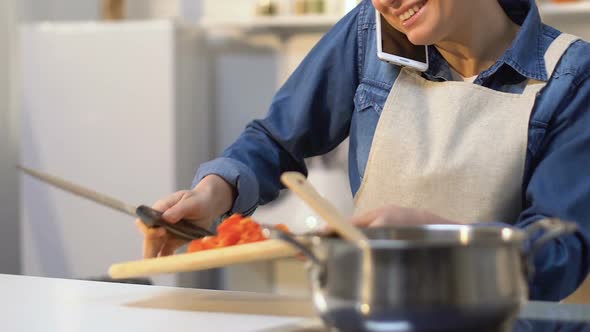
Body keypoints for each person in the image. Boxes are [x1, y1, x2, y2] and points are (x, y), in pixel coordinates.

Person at [136, 0, 590, 301]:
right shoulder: (369, 35)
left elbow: (563, 250)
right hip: (368, 314)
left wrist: (440, 240)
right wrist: (214, 193)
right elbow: (276, 140)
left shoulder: (571, 76)